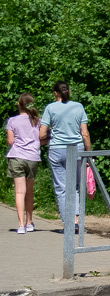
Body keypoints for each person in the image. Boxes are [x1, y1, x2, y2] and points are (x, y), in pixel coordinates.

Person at [39, 81, 90, 234]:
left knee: (61, 188)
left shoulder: (50, 108)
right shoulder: (79, 107)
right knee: (74, 186)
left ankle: (67, 224)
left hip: (57, 150)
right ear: (69, 91)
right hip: (77, 149)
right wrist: (89, 154)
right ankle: (75, 221)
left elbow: (41, 134)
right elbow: (85, 133)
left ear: (55, 93)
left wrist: (51, 136)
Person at [6, 94, 41, 233]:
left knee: (19, 192)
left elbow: (10, 141)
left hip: (17, 157)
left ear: (18, 105)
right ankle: (30, 222)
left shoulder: (12, 121)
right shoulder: (38, 121)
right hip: (33, 157)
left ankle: (21, 225)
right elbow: (43, 137)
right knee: (29, 191)